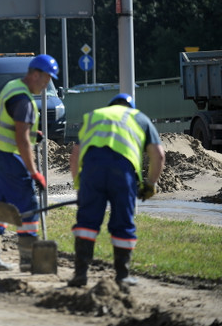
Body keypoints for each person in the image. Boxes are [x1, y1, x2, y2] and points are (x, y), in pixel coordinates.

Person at [68, 93, 166, 287]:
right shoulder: (140, 118)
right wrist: (150, 184)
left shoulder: (94, 115)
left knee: (87, 222)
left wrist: (80, 183)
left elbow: (75, 155)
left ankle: (80, 274)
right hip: (122, 172)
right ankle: (122, 275)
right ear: (130, 107)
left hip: (92, 170)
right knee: (123, 221)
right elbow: (159, 156)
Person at [0, 54, 60, 272]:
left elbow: (14, 126)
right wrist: (35, 173)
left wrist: (33, 133)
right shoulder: (24, 101)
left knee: (0, 205)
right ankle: (30, 260)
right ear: (35, 75)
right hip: (11, 158)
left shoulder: (12, 86)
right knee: (28, 207)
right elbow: (22, 140)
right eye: (46, 79)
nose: (46, 85)